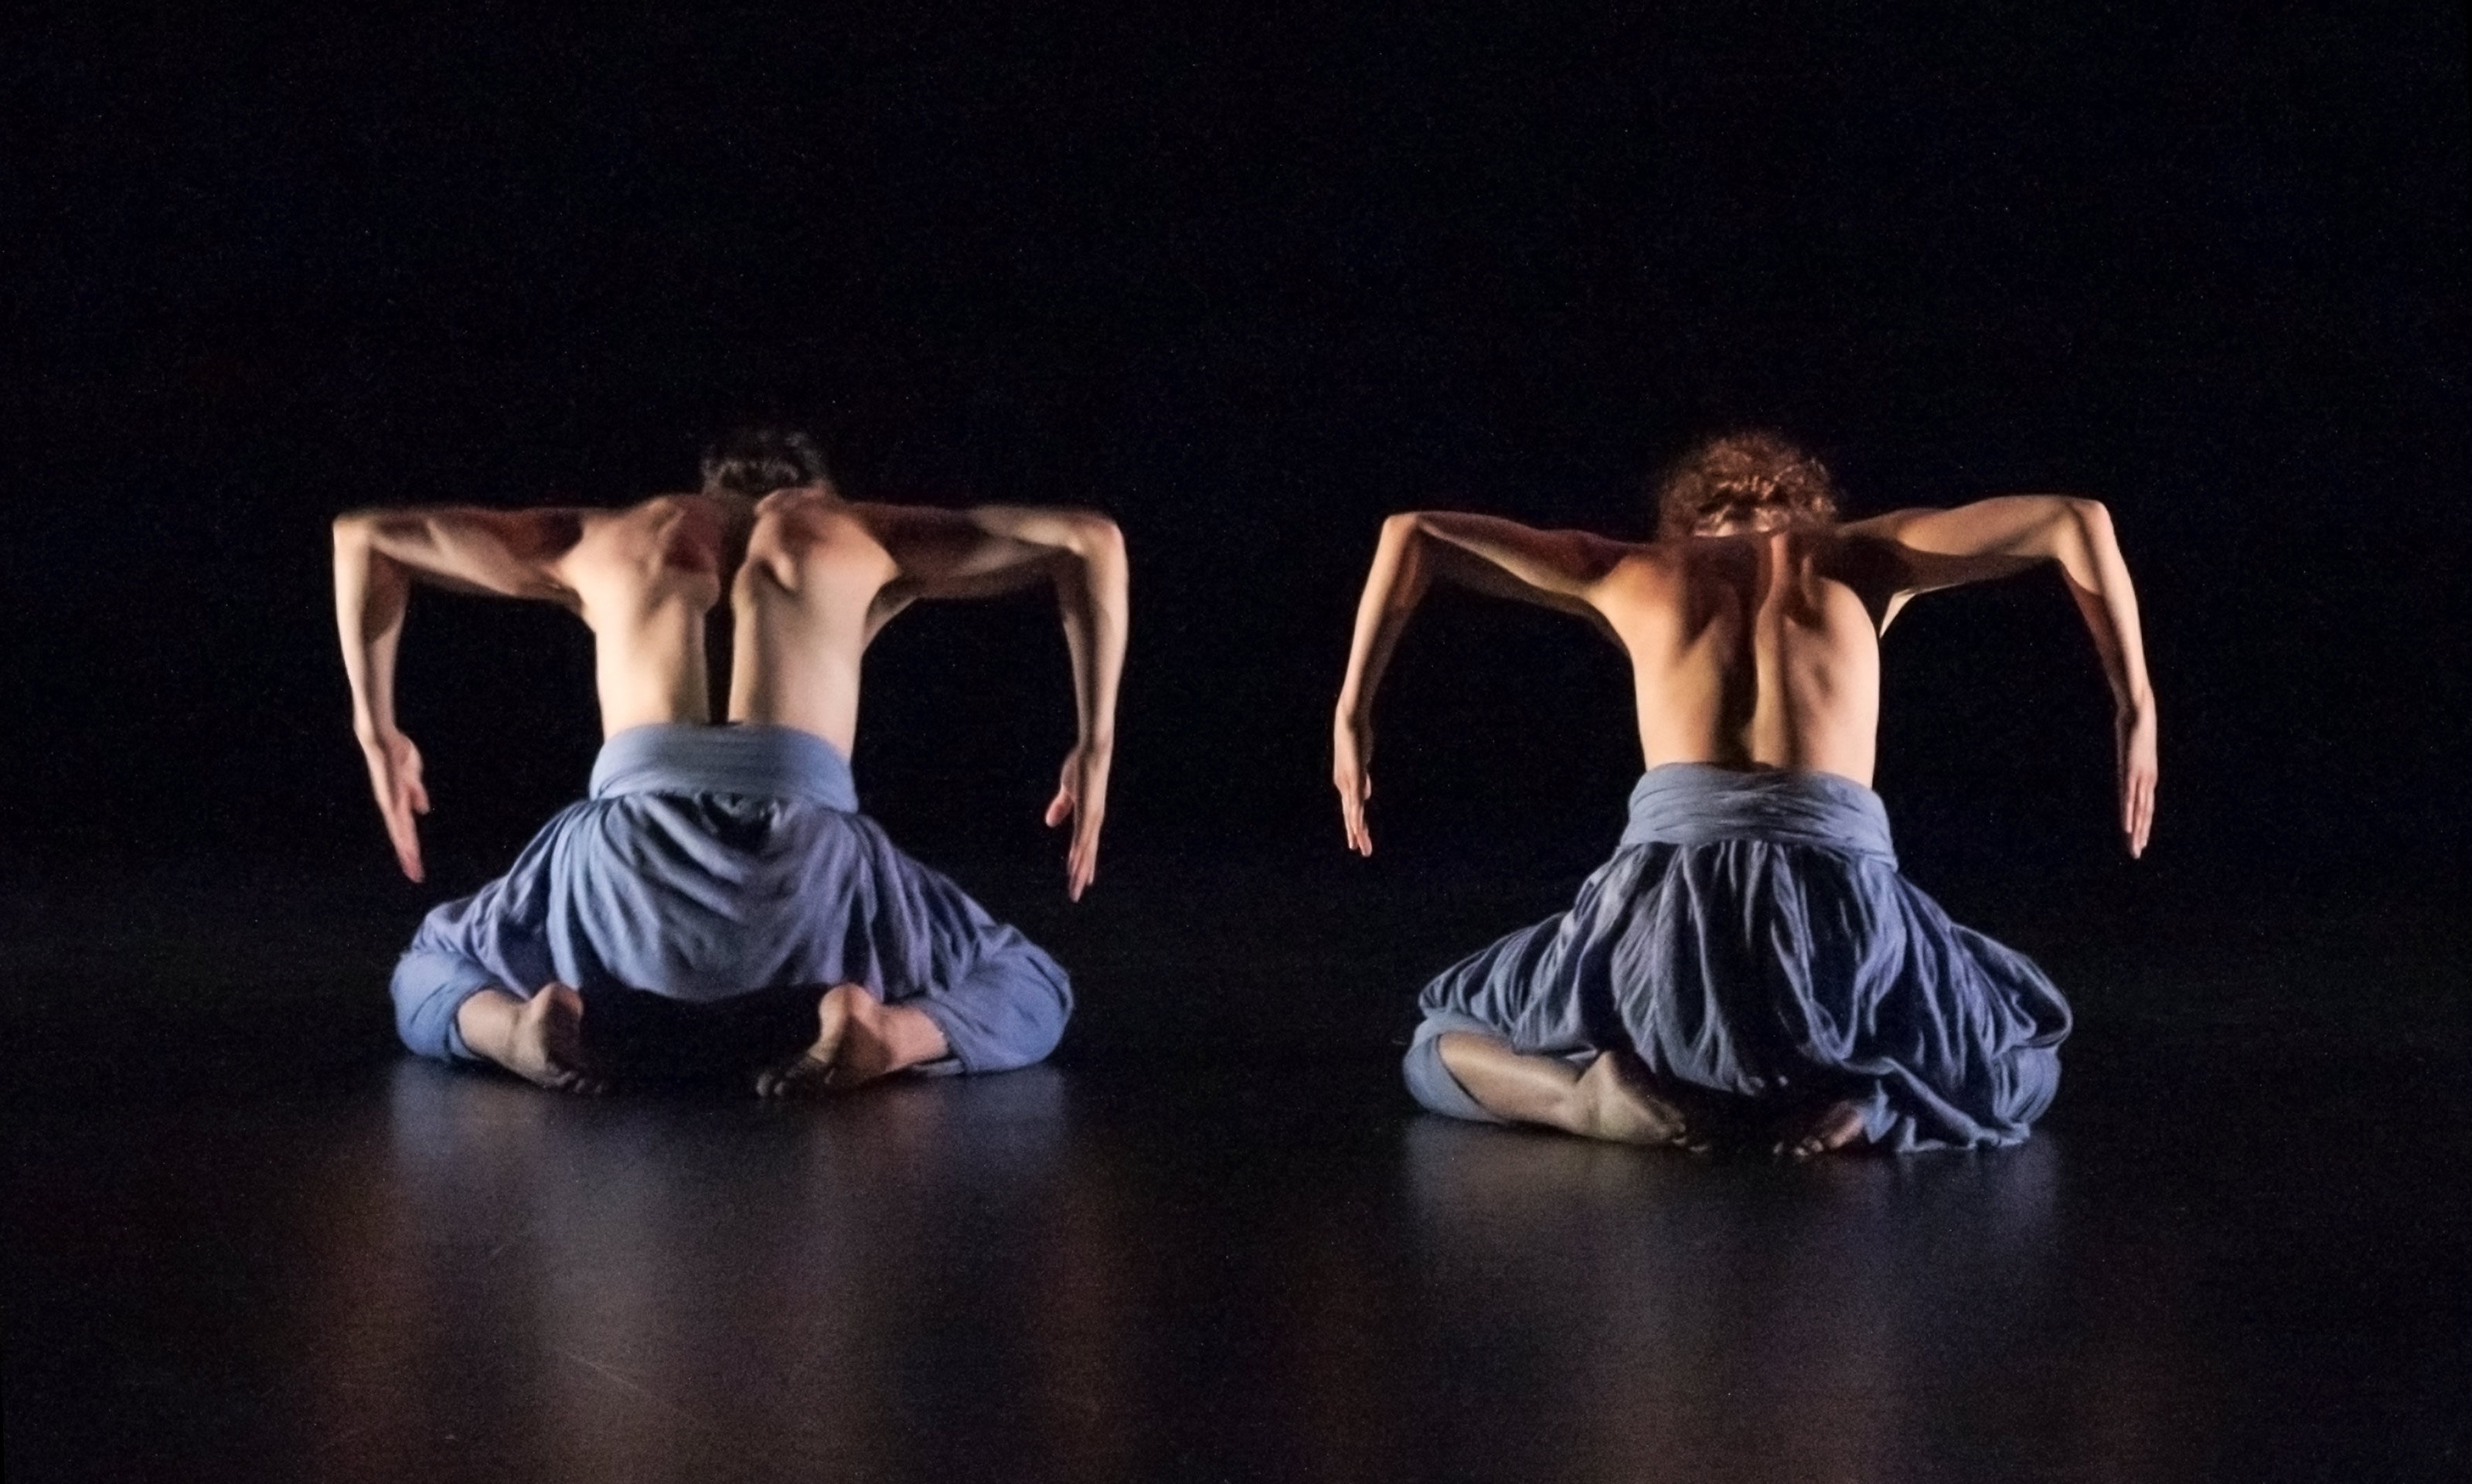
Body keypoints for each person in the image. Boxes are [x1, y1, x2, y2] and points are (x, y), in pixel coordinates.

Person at [1333, 431, 2154, 1154]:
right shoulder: (1863, 557)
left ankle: (1585, 1102)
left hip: (1667, 960)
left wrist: (1352, 714)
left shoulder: (1633, 570)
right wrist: (2135, 707)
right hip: (1845, 962)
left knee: (1439, 1043)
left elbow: (1415, 533)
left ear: (1691, 524)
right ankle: (1872, 1106)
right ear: (1805, 512)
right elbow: (2074, 520)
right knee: (2022, 1051)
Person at [333, 427, 1129, 1095]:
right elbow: (1089, 540)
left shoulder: (610, 536)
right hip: (805, 869)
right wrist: (1094, 744)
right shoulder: (851, 534)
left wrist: (379, 732)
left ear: (706, 488)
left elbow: (364, 536)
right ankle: (889, 1035)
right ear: (816, 490)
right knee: (1028, 981)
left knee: (431, 965)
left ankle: (515, 1032)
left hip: (620, 870)